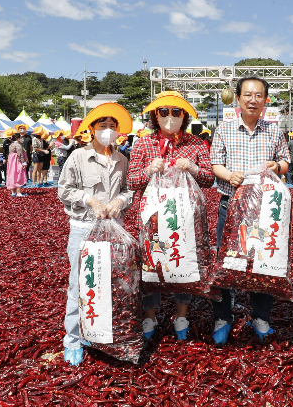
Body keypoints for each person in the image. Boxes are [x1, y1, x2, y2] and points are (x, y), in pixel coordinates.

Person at [128, 91, 215, 341]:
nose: (169, 116)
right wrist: (148, 170)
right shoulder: (143, 143)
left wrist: (194, 167)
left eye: (175, 112)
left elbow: (208, 179)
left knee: (182, 260)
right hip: (152, 219)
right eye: (163, 112)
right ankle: (151, 316)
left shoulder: (196, 143)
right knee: (151, 264)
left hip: (186, 219)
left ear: (184, 115)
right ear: (156, 115)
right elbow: (132, 180)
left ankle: (181, 314)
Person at [209, 76, 290, 345]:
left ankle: (260, 317)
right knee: (227, 263)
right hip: (230, 206)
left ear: (266, 101)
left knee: (263, 264)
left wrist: (276, 167)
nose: (253, 100)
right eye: (247, 95)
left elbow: (286, 162)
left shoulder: (274, 130)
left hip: (264, 210)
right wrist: (229, 175)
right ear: (238, 98)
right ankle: (223, 316)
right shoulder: (224, 129)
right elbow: (215, 164)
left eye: (258, 96)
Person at [58, 103, 134, 366]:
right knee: (80, 282)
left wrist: (120, 202)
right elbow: (64, 190)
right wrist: (89, 199)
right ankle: (74, 339)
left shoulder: (122, 159)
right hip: (84, 227)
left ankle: (103, 331)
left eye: (113, 127)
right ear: (91, 129)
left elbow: (129, 190)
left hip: (115, 228)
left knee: (112, 282)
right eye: (103, 126)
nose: (108, 131)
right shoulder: (78, 157)